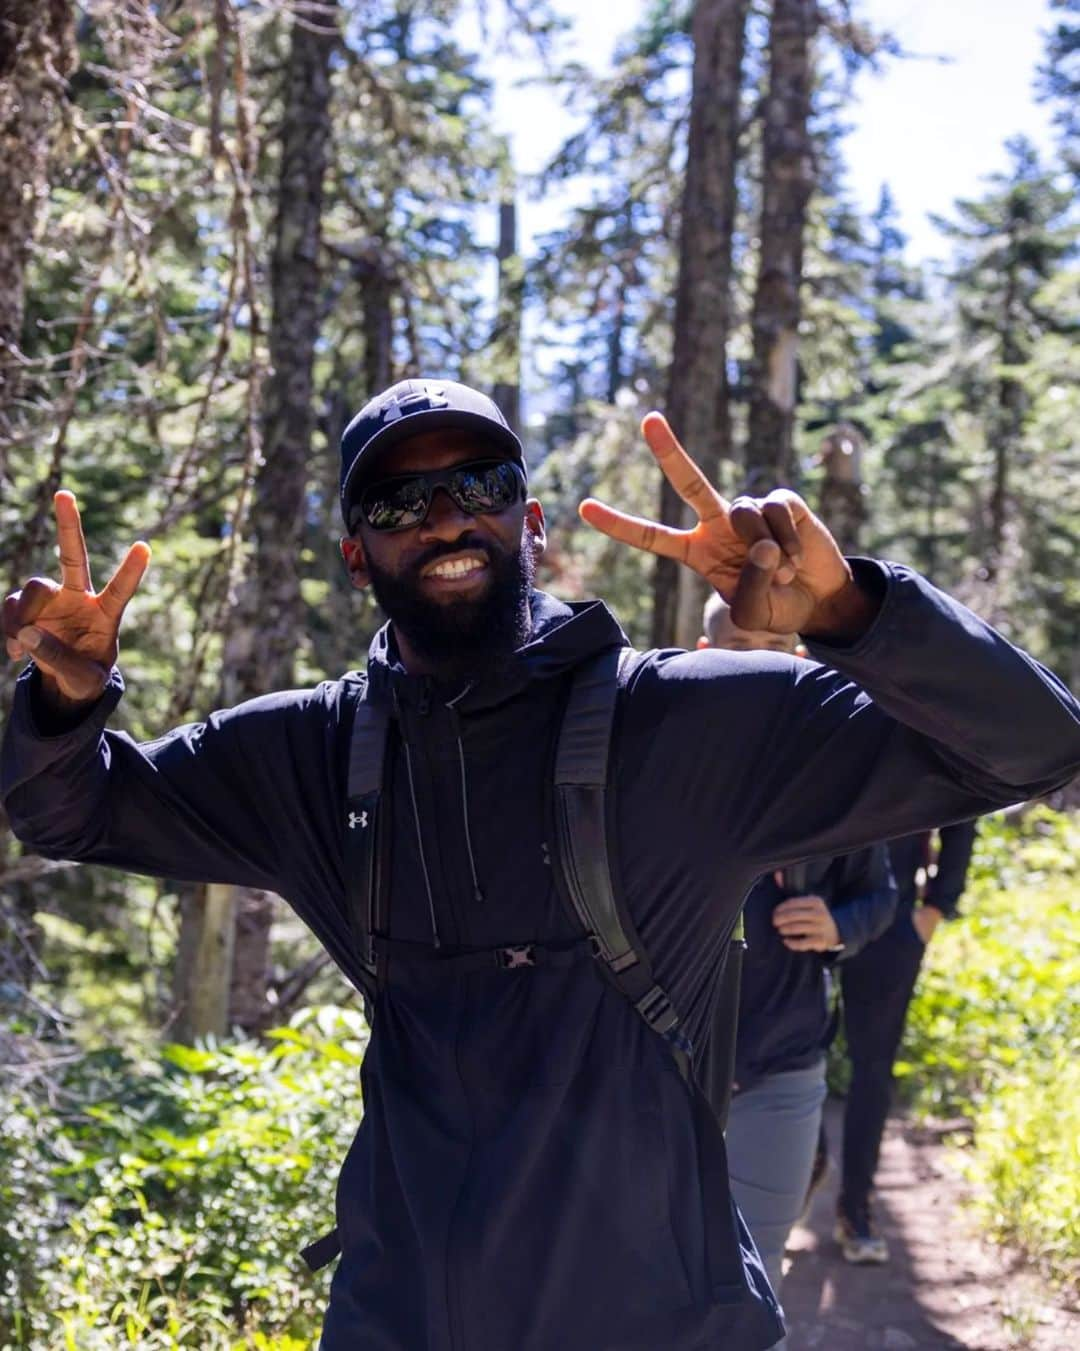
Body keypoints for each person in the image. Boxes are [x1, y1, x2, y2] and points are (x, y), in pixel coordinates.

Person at [3, 376, 1079, 1351]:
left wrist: (852, 616)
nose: (443, 516)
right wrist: (65, 703)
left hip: (658, 1322)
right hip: (399, 1316)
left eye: (481, 480)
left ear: (533, 518)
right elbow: (75, 809)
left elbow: (1032, 745)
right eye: (395, 502)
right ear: (352, 555)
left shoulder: (686, 726)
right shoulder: (310, 755)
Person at [700, 594, 898, 1341]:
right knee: (649, 1281)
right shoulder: (656, 765)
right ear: (698, 652)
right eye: (740, 642)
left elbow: (879, 891)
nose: (759, 658)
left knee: (757, 1287)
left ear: (801, 657)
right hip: (662, 1075)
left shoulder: (830, 777)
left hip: (781, 1069)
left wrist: (837, 924)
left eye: (777, 643)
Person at [835, 820, 978, 1264]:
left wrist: (935, 908)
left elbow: (963, 804)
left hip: (893, 924)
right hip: (800, 906)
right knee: (788, 1054)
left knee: (872, 1067)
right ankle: (800, 1167)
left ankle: (855, 1206)